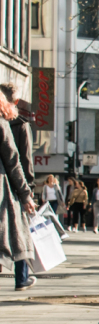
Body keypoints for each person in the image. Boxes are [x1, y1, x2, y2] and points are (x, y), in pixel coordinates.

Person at [0, 92, 38, 290]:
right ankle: (21, 278)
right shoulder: (1, 123)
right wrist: (25, 193)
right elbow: (13, 161)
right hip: (2, 191)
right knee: (12, 231)